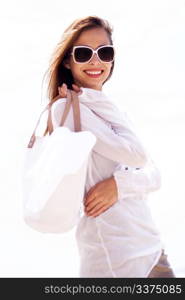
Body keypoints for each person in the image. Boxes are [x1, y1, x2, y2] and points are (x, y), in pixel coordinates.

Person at [43, 16, 175, 277]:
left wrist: (119, 185)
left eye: (104, 52)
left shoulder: (109, 109)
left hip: (150, 250)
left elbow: (154, 173)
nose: (96, 61)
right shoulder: (67, 110)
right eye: (83, 53)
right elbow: (137, 156)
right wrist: (130, 180)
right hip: (114, 261)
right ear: (68, 60)